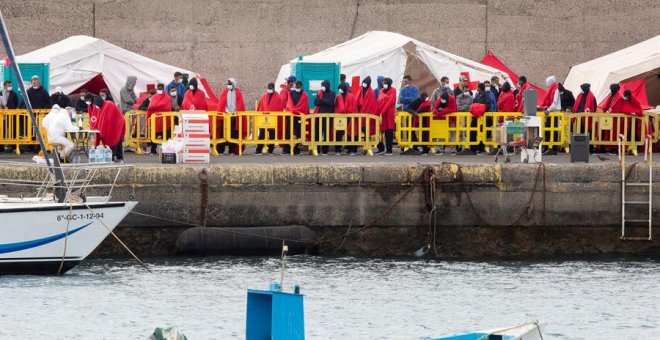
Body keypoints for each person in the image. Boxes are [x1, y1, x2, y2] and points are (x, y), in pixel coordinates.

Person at [90, 96, 125, 162]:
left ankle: (115, 157)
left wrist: (101, 128)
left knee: (115, 140)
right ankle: (116, 157)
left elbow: (107, 118)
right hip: (113, 124)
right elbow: (101, 118)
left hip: (117, 123)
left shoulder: (108, 104)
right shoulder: (102, 106)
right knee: (115, 140)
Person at [216, 78, 246, 155]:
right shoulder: (225, 91)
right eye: (227, 84)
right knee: (222, 133)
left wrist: (235, 112)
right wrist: (227, 111)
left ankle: (232, 150)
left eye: (230, 84)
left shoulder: (238, 92)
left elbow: (240, 104)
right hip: (225, 115)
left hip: (234, 116)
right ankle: (220, 150)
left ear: (233, 85)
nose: (228, 85)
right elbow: (222, 103)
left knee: (233, 133)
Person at [255, 83, 283, 155]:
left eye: (271, 88)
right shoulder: (264, 96)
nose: (269, 89)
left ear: (274, 88)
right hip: (263, 119)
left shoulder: (278, 97)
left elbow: (279, 108)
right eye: (268, 88)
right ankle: (258, 150)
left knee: (272, 135)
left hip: (273, 119)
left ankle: (270, 150)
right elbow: (261, 106)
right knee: (262, 134)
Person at [284, 81, 309, 155]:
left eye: (298, 85)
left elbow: (303, 106)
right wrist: (293, 110)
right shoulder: (291, 93)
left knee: (299, 133)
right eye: (296, 85)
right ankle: (286, 149)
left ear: (301, 86)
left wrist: (294, 110)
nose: (297, 86)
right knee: (288, 132)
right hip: (291, 116)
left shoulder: (304, 94)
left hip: (299, 117)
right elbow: (289, 103)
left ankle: (297, 149)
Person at [146, 83, 172, 154]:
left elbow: (167, 107)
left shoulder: (167, 97)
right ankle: (153, 150)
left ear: (163, 88)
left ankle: (165, 150)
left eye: (160, 88)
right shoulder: (154, 97)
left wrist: (156, 106)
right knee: (154, 135)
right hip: (155, 119)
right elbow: (151, 107)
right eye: (158, 88)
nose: (159, 89)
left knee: (164, 135)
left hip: (164, 120)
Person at [334, 82, 358, 155]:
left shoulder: (351, 96)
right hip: (340, 117)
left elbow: (354, 106)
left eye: (340, 88)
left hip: (349, 117)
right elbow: (336, 107)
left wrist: (355, 116)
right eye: (339, 89)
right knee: (339, 134)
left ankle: (351, 150)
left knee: (350, 133)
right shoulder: (338, 96)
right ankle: (337, 150)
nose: (339, 90)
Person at [313, 79, 336, 155]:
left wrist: (321, 100)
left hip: (328, 116)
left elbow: (330, 102)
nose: (322, 87)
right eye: (321, 86)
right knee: (317, 133)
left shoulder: (332, 93)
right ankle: (317, 149)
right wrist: (321, 101)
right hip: (319, 116)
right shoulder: (319, 92)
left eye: (323, 86)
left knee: (326, 134)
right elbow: (315, 102)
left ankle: (325, 150)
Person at [539, 76, 561, 155]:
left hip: (553, 112)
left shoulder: (556, 90)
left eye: (547, 82)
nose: (546, 84)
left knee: (553, 131)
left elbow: (554, 103)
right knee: (548, 130)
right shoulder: (552, 89)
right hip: (550, 112)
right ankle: (547, 146)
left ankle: (552, 148)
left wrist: (548, 109)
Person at [375, 77, 396, 155]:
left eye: (386, 83)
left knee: (389, 132)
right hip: (381, 114)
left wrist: (382, 112)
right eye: (383, 83)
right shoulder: (381, 90)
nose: (384, 85)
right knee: (380, 132)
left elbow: (390, 101)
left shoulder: (393, 90)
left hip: (388, 114)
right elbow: (379, 101)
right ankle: (381, 148)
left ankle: (389, 150)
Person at [357, 76, 378, 149]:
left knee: (366, 130)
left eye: (365, 83)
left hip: (367, 114)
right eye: (363, 83)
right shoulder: (361, 90)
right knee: (360, 129)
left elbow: (372, 105)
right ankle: (360, 146)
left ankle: (367, 145)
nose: (364, 84)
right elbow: (357, 100)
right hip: (361, 113)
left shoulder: (371, 93)